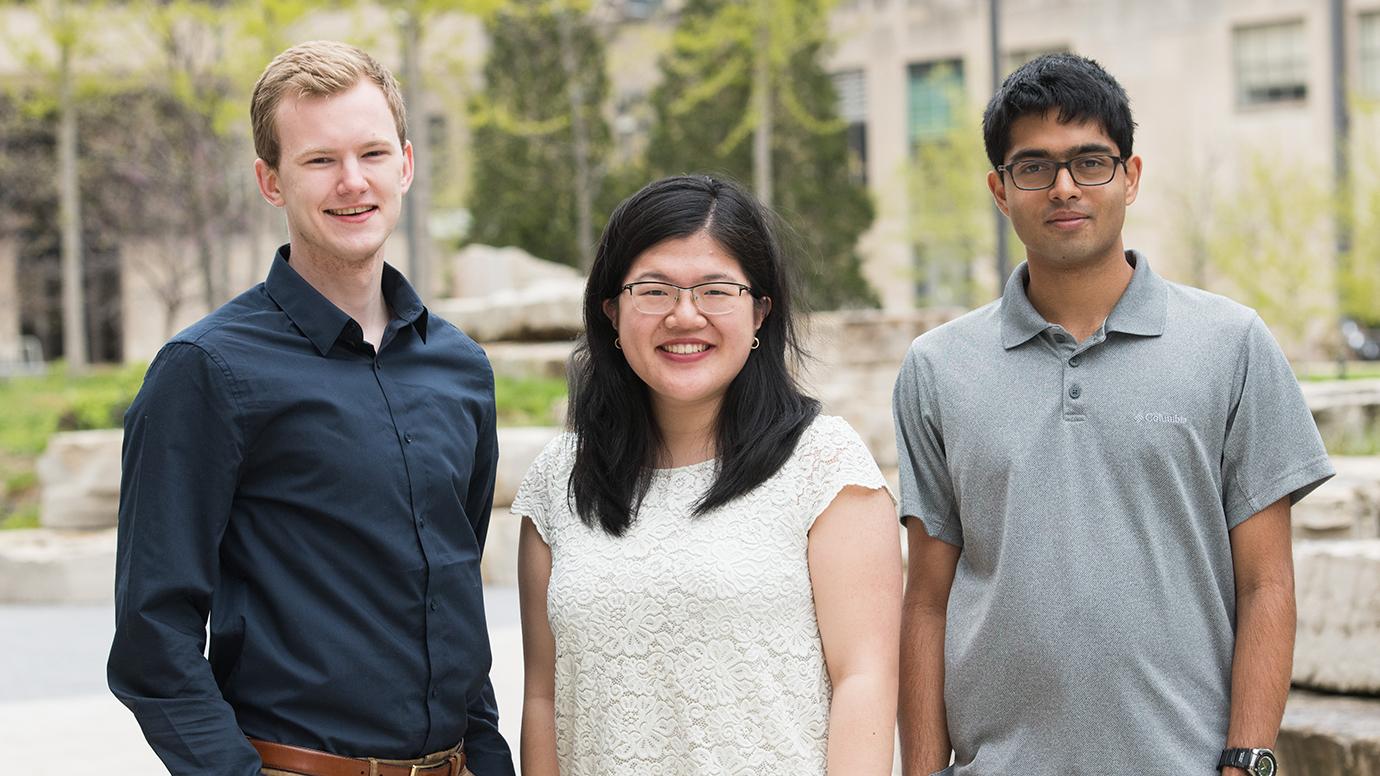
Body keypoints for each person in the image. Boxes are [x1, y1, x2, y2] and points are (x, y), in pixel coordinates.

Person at [893, 53, 1334, 776]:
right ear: (1000, 191)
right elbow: (927, 601)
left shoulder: (1231, 344)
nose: (1064, 187)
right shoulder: (939, 368)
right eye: (1034, 167)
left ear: (1130, 176)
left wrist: (1244, 762)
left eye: (1089, 161)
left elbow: (1267, 584)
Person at [108, 41, 514, 776]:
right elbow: (151, 638)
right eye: (319, 160)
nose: (352, 182)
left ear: (407, 165)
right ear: (270, 181)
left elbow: (451, 599)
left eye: (372, 153)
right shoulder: (206, 371)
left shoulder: (461, 368)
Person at [511, 175, 902, 775]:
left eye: (716, 289)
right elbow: (541, 698)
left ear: (760, 313)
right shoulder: (559, 480)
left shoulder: (823, 465)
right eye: (655, 290)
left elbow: (864, 683)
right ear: (611, 312)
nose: (684, 315)